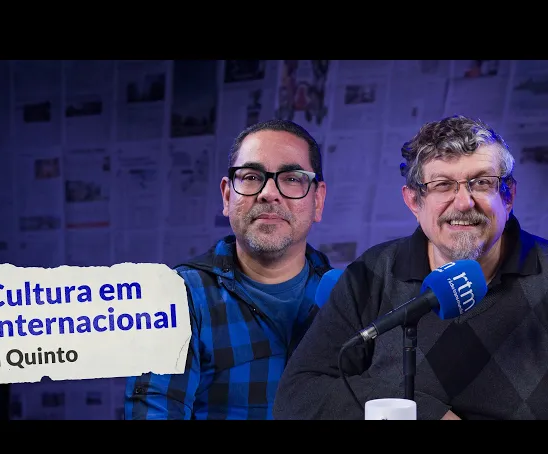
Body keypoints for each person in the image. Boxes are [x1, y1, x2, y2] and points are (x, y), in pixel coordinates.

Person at [273, 114, 548, 420]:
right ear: (414, 201)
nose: (463, 203)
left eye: (482, 182)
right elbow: (298, 394)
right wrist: (422, 413)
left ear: (508, 196)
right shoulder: (371, 274)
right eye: (442, 185)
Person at [124, 119, 333, 419]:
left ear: (318, 200)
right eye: (251, 177)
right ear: (226, 196)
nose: (268, 193)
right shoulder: (176, 298)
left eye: (291, 178)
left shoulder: (348, 296)